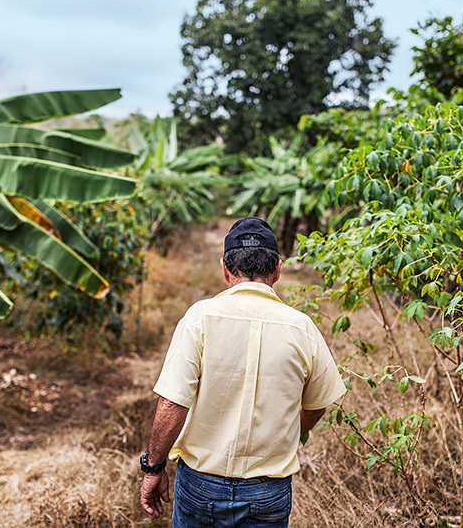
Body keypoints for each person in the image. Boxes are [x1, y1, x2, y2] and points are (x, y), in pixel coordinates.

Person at [139, 216, 346, 527]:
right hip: (268, 491)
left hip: (201, 486)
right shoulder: (302, 327)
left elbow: (172, 404)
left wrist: (153, 468)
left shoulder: (200, 318)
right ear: (277, 269)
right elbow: (318, 403)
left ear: (225, 269)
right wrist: (292, 430)